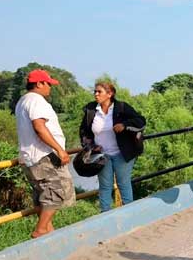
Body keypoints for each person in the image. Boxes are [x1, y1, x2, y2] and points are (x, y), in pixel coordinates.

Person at [14, 69, 76, 237]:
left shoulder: (23, 101)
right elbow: (40, 128)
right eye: (48, 84)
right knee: (55, 195)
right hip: (42, 156)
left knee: (43, 195)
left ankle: (48, 231)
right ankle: (40, 231)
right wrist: (60, 150)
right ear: (39, 83)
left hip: (30, 157)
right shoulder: (36, 101)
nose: (50, 87)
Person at [79, 82, 146, 212]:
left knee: (123, 184)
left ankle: (129, 213)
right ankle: (105, 215)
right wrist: (91, 146)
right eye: (95, 92)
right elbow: (84, 132)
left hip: (122, 153)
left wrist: (124, 125)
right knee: (105, 186)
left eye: (99, 92)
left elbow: (141, 121)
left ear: (110, 94)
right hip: (102, 155)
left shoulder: (121, 107)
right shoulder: (91, 110)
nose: (96, 94)